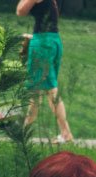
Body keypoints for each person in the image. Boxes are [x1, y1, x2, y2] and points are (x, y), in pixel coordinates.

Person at [16, 0, 74, 144]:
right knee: (39, 91)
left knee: (48, 91)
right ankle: (25, 132)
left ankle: (66, 134)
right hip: (53, 41)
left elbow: (20, 11)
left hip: (43, 44)